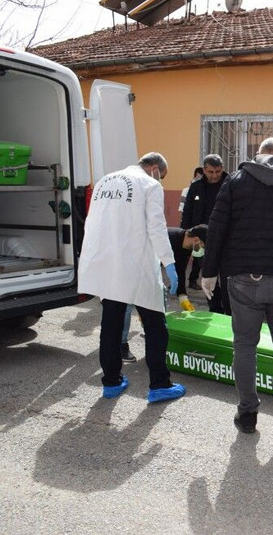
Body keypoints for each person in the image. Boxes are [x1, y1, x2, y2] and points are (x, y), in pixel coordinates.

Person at [201, 138, 273, 433]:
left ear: (258, 154)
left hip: (243, 278)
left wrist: (208, 270)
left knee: (245, 346)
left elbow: (217, 227)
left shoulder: (236, 182)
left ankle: (248, 413)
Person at [79, 152, 187, 403]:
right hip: (136, 266)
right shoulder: (149, 184)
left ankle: (111, 382)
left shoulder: (105, 181)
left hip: (108, 264)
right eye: (163, 175)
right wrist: (169, 263)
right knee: (155, 326)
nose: (161, 180)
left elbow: (92, 222)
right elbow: (157, 228)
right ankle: (160, 384)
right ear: (154, 168)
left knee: (111, 325)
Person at [119, 224, 208, 360]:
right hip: (134, 266)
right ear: (196, 239)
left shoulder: (186, 247)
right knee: (126, 306)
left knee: (159, 302)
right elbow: (145, 258)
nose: (201, 249)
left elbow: (180, 270)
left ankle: (152, 335)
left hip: (150, 272)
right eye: (202, 245)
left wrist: (182, 296)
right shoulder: (169, 237)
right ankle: (121, 346)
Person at [181, 155, 229, 309]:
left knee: (227, 278)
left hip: (226, 239)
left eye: (218, 171)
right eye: (211, 172)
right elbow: (187, 211)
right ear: (203, 170)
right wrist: (185, 233)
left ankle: (229, 310)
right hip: (201, 240)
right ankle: (214, 308)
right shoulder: (195, 187)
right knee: (208, 275)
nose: (214, 175)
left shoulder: (230, 184)